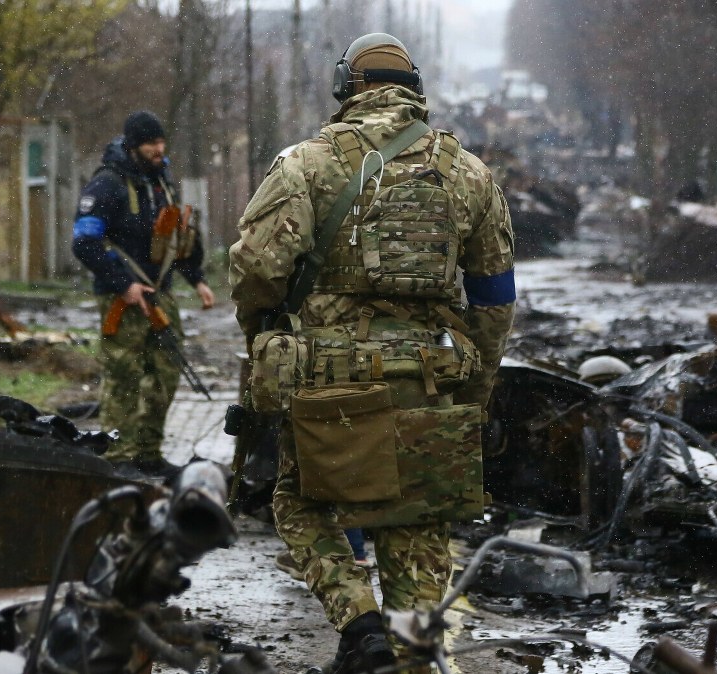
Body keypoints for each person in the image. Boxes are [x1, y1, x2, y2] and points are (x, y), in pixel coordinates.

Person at [229, 33, 515, 673]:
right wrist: (474, 393)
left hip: (327, 382)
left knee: (302, 504)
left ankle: (359, 624)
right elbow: (495, 299)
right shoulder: (469, 173)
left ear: (344, 90)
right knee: (416, 532)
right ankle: (411, 654)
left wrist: (262, 338)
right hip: (427, 378)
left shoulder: (305, 163)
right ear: (415, 90)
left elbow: (255, 270)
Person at [72, 110, 215, 476]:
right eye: (151, 143)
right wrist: (123, 283)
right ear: (134, 145)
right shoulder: (107, 184)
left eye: (161, 141)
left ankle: (148, 454)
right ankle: (120, 459)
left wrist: (196, 279)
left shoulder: (161, 182)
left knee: (166, 373)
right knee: (124, 376)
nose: (159, 149)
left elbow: (173, 242)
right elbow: (84, 241)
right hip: (121, 298)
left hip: (159, 295)